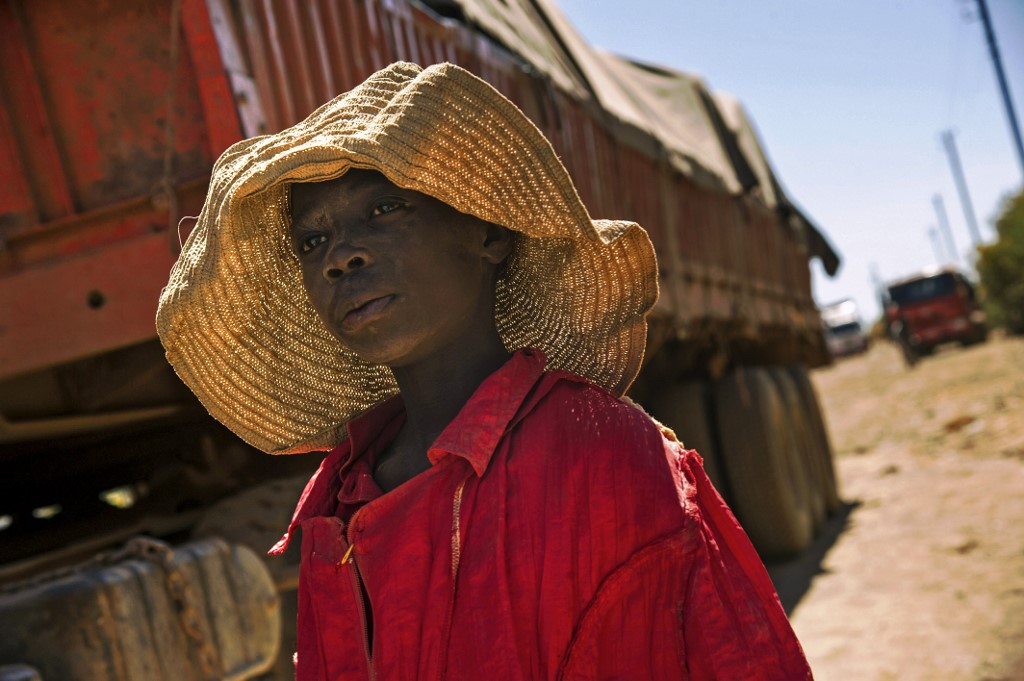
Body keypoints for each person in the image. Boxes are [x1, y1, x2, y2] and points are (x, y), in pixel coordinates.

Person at [157, 62, 813, 680]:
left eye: (384, 210)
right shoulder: (340, 502)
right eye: (312, 241)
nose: (340, 256)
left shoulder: (607, 454)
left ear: (488, 235)